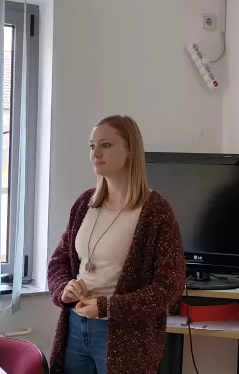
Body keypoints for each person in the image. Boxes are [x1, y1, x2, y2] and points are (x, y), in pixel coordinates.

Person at [47, 115, 186, 374]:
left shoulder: (155, 211)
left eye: (106, 145)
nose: (96, 153)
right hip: (75, 327)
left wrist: (108, 306)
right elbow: (59, 261)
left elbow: (171, 285)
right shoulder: (84, 203)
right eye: (92, 146)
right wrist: (64, 289)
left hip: (124, 335)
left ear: (130, 151)